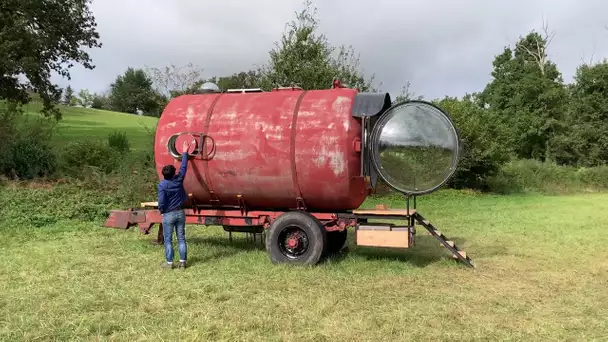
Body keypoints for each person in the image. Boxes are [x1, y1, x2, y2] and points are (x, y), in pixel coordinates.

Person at [158, 146, 191, 269]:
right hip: (180, 212)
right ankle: (182, 263)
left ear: (164, 175)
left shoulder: (163, 185)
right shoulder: (178, 180)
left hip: (168, 214)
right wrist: (185, 152)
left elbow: (161, 201)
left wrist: (161, 210)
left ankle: (169, 263)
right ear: (174, 173)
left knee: (168, 239)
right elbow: (184, 167)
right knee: (181, 238)